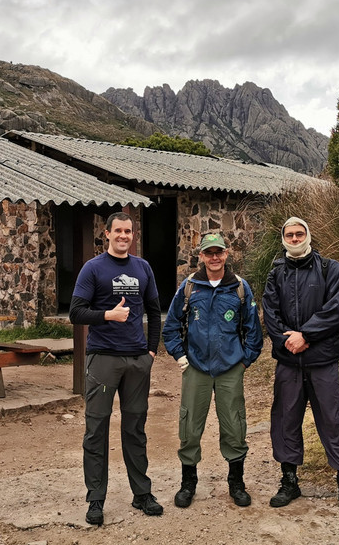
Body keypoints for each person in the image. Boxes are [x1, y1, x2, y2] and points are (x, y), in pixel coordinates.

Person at [69, 211, 164, 526]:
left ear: (132, 235)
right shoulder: (93, 269)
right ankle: (96, 499)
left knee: (135, 429)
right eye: (118, 231)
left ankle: (142, 494)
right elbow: (76, 312)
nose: (124, 236)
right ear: (106, 233)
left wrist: (150, 352)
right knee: (96, 429)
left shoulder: (143, 268)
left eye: (129, 231)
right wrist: (107, 316)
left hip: (137, 360)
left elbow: (153, 310)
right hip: (104, 359)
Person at [262, 217, 339, 515]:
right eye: (289, 235)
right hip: (289, 362)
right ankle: (289, 480)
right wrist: (288, 340)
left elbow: (336, 311)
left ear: (308, 235)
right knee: (285, 419)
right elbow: (270, 311)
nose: (294, 239)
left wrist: (306, 336)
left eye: (299, 234)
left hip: (322, 361)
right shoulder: (276, 272)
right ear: (284, 239)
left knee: (332, 420)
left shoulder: (331, 269)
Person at [162, 233, 264, 509]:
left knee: (234, 424)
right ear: (202, 256)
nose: (215, 257)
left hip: (230, 368)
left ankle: (236, 482)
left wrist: (244, 362)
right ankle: (188, 482)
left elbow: (253, 331)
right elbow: (170, 327)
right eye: (210, 253)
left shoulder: (240, 288)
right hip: (196, 368)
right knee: (190, 426)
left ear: (227, 254)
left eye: (219, 252)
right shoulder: (189, 288)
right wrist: (181, 357)